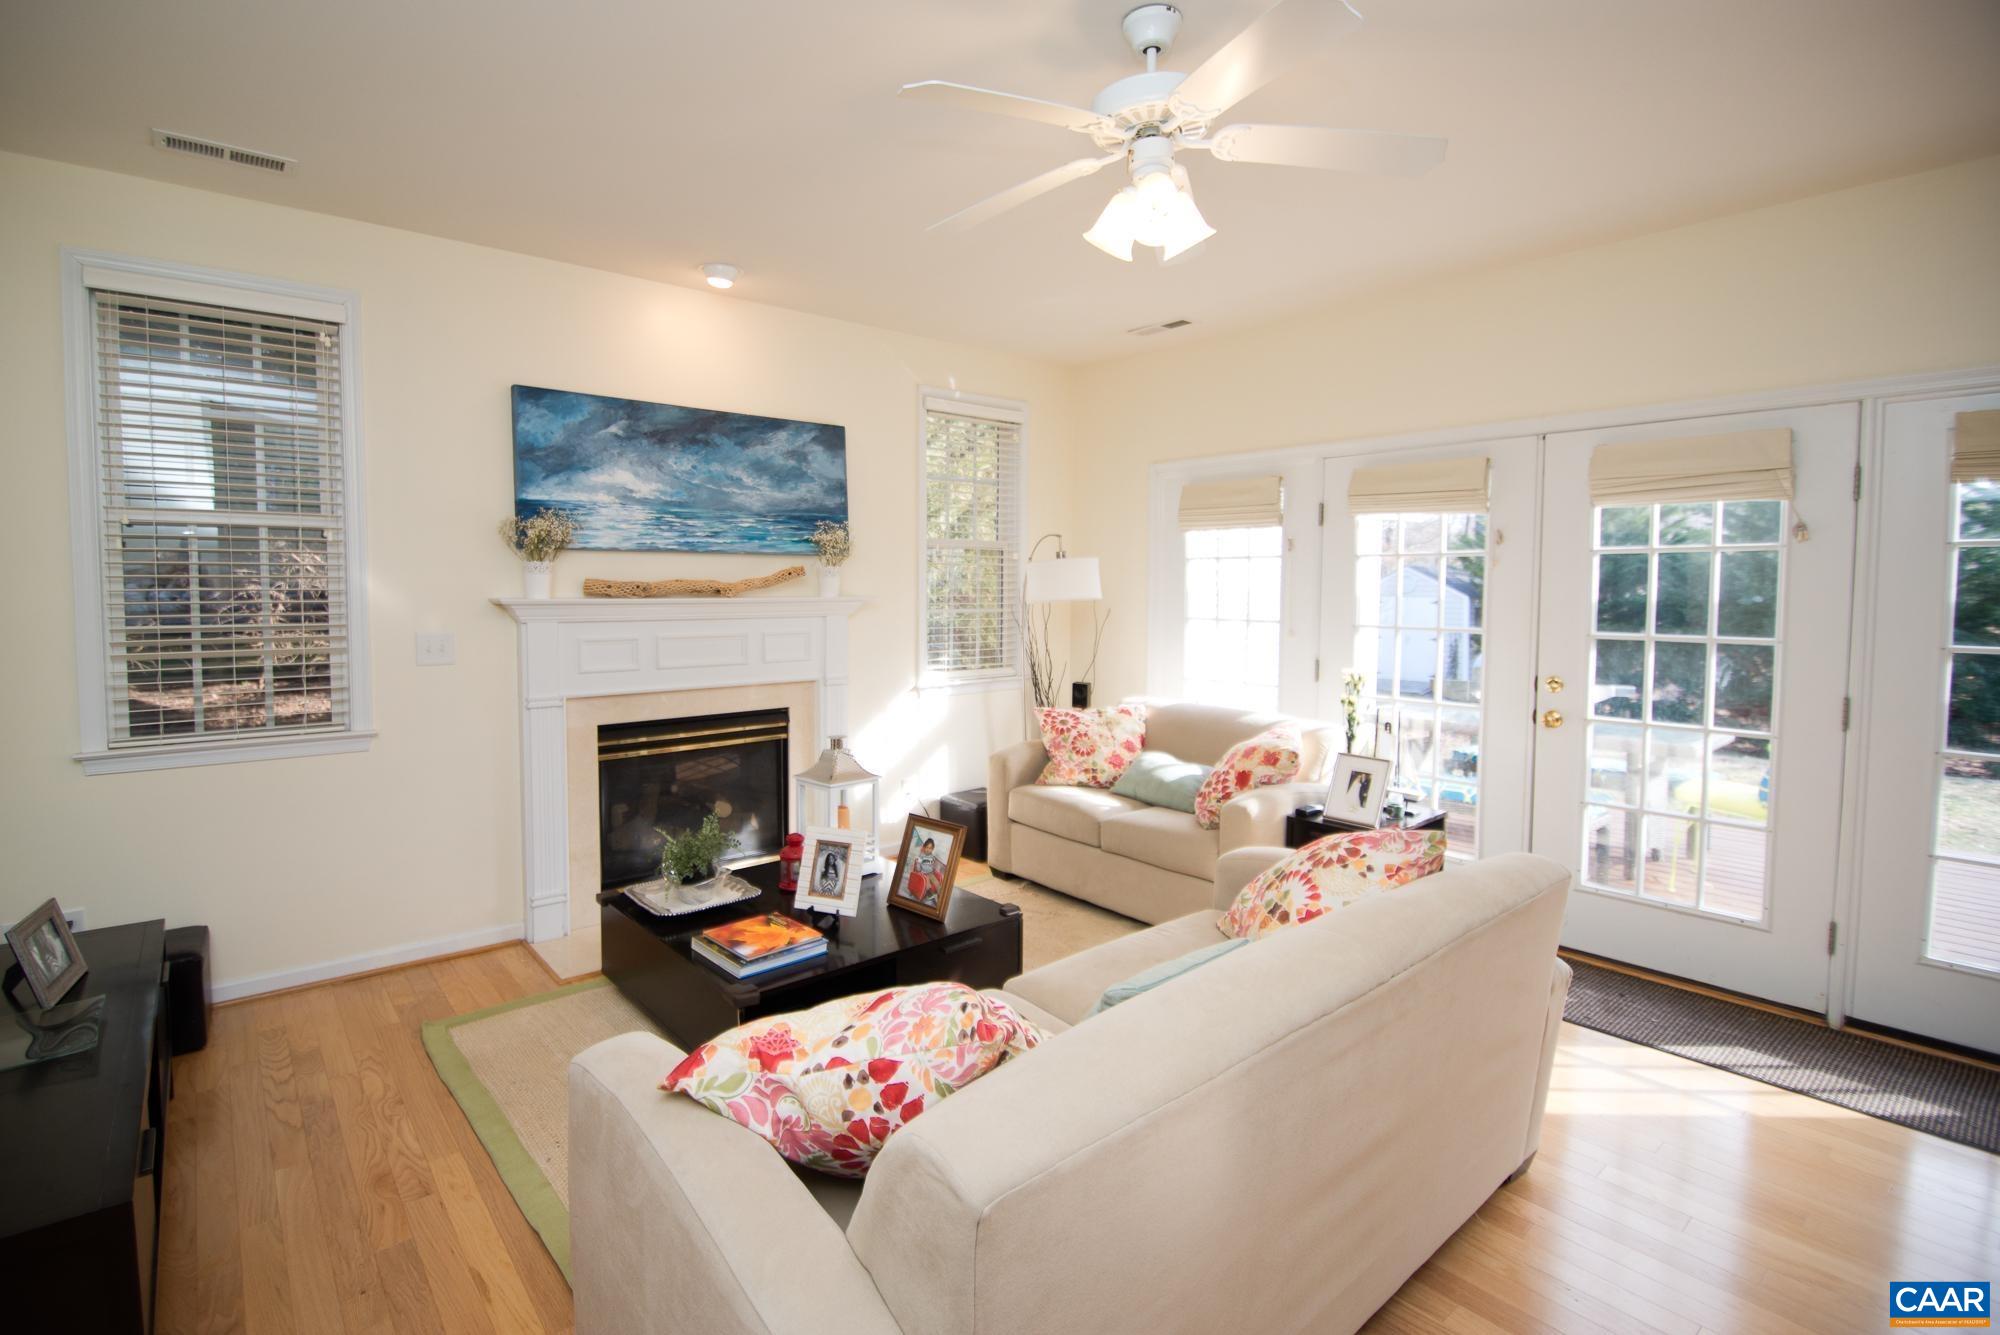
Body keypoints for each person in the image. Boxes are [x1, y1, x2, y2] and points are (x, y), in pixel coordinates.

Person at [903, 836, 947, 908]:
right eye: (927, 847)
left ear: (932, 849)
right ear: (924, 847)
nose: (928, 849)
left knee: (936, 882)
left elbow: (931, 866)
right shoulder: (921, 856)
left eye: (930, 848)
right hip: (922, 873)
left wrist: (932, 865)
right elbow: (917, 869)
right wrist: (918, 863)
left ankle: (940, 896)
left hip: (930, 873)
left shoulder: (932, 856)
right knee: (927, 880)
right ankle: (930, 893)